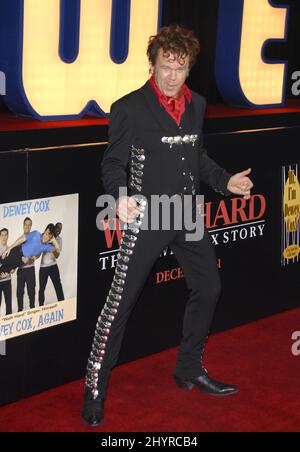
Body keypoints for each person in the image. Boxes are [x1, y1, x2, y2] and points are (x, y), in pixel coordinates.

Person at [81, 25, 253, 427]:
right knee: (118, 307)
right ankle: (94, 388)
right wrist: (119, 195)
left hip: (186, 214)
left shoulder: (198, 104)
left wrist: (224, 181)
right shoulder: (129, 107)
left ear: (189, 68)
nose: (172, 76)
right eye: (165, 66)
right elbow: (112, 162)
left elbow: (198, 156)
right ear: (152, 65)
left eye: (180, 67)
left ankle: (189, 367)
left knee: (209, 286)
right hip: (147, 216)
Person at [39, 222, 64, 306]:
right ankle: (41, 306)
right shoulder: (46, 235)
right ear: (54, 229)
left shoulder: (59, 240)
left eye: (60, 229)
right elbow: (39, 247)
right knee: (42, 288)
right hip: (43, 266)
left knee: (58, 285)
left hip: (53, 265)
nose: (58, 230)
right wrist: (46, 240)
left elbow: (57, 255)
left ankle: (62, 304)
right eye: (57, 228)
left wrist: (54, 242)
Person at [17, 217, 36, 311]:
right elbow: (15, 257)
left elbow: (34, 257)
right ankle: (20, 311)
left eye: (29, 225)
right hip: (20, 270)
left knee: (31, 292)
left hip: (30, 270)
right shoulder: (19, 240)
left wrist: (29, 260)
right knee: (19, 293)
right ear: (23, 226)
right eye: (26, 224)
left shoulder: (34, 240)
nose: (27, 226)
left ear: (31, 226)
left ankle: (32, 309)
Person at [0, 229, 14, 315]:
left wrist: (11, 271)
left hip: (7, 281)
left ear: (8, 236)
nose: (4, 237)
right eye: (2, 235)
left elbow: (12, 268)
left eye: (6, 235)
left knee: (9, 305)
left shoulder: (10, 250)